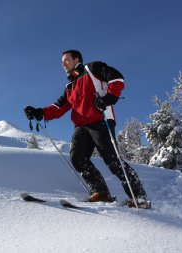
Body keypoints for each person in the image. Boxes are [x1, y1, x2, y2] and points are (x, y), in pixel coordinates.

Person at [24, 50, 149, 208]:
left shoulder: (93, 68)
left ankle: (139, 197)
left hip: (101, 121)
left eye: (66, 60)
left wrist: (108, 98)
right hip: (81, 126)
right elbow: (58, 107)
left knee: (112, 160)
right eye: (62, 62)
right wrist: (39, 112)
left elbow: (117, 78)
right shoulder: (70, 86)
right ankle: (101, 192)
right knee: (77, 158)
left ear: (77, 60)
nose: (63, 64)